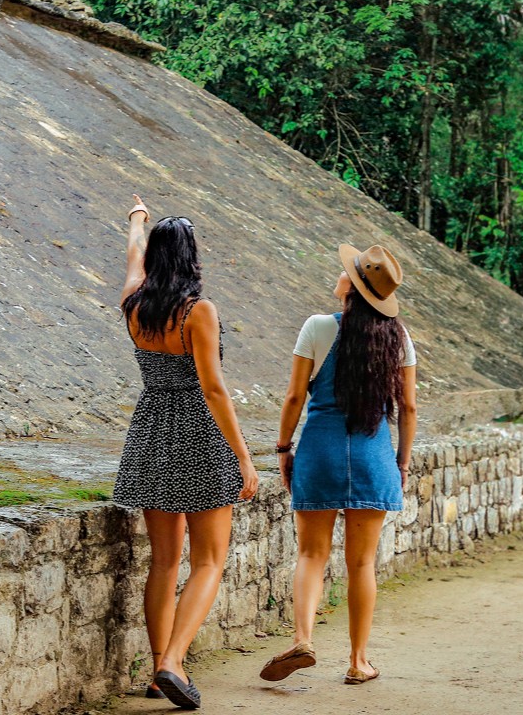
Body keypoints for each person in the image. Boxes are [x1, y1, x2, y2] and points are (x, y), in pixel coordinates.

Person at [112, 195, 259, 709]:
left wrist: (138, 219)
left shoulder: (133, 301)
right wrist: (242, 456)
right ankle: (175, 660)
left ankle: (158, 671)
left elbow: (132, 254)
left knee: (165, 562)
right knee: (210, 560)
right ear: (192, 258)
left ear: (155, 257)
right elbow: (214, 390)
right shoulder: (199, 312)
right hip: (197, 430)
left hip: (151, 428)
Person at [260, 244, 417, 686]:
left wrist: (283, 448)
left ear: (355, 289)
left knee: (311, 554)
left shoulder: (316, 328)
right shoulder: (398, 337)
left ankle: (303, 638)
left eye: (345, 273)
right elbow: (408, 407)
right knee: (362, 565)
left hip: (320, 448)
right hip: (373, 453)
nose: (339, 276)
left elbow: (294, 397)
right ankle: (358, 661)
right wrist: (401, 462)